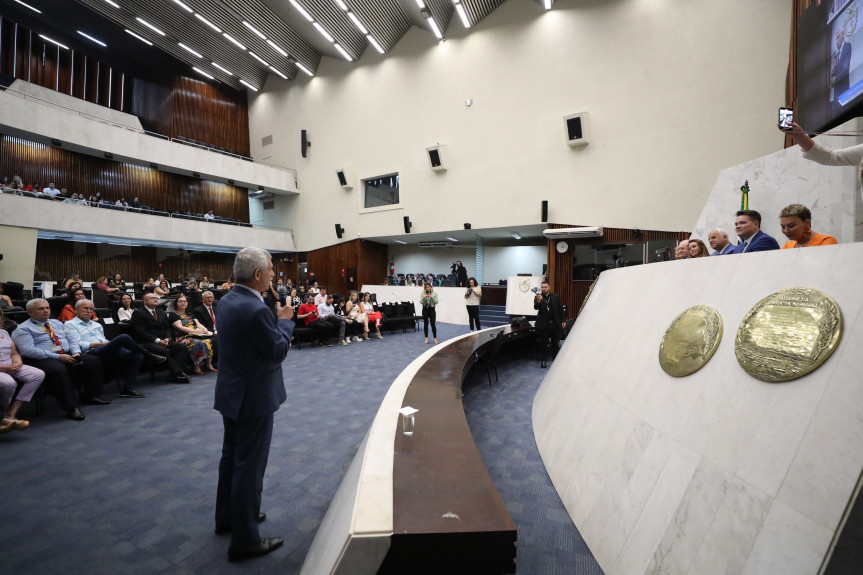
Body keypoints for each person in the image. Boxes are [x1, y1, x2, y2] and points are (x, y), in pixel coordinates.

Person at [213, 247, 294, 563]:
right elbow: (276, 350)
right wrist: (285, 322)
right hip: (254, 398)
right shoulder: (257, 309)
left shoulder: (229, 300)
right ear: (258, 274)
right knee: (250, 468)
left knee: (231, 459)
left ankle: (228, 518)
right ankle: (245, 541)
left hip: (232, 393)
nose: (273, 274)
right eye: (271, 270)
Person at [12, 298, 107, 421]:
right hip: (42, 359)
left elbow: (72, 339)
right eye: (41, 308)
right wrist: (58, 357)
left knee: (93, 361)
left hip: (65, 354)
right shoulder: (23, 329)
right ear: (29, 312)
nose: (46, 311)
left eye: (47, 308)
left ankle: (89, 395)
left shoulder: (56, 323)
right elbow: (28, 351)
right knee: (58, 369)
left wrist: (76, 353)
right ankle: (71, 407)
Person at [64, 299, 163, 398]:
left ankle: (128, 389)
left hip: (104, 349)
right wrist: (100, 345)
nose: (89, 311)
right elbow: (76, 343)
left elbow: (103, 339)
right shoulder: (70, 324)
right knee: (124, 337)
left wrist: (109, 344)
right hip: (90, 352)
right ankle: (148, 355)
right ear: (76, 310)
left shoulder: (97, 324)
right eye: (85, 308)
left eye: (91, 309)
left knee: (137, 355)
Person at [129, 292, 191, 383]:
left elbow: (167, 328)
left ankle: (176, 374)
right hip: (147, 342)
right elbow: (141, 332)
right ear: (145, 301)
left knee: (181, 347)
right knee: (164, 350)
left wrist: (168, 338)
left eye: (156, 298)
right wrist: (158, 341)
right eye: (152, 298)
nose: (155, 299)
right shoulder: (138, 313)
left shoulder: (161, 312)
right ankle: (178, 373)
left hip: (164, 340)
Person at [0, 309, 44, 432]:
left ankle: (12, 411)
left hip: (10, 365)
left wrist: (18, 362)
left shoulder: (3, 332)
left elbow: (14, 353)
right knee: (8, 383)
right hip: (2, 368)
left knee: (37, 374)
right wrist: (4, 368)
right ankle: (5, 411)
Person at [169, 295, 216, 375]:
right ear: (176, 303)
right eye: (180, 301)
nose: (183, 303)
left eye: (185, 301)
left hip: (195, 334)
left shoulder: (189, 313)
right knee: (199, 343)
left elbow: (198, 324)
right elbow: (180, 327)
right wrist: (195, 331)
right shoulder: (173, 314)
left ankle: (208, 364)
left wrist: (204, 329)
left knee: (210, 340)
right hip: (182, 336)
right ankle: (196, 367)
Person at [534, 281, 566, 369]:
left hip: (555, 324)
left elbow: (560, 309)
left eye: (545, 287)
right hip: (544, 325)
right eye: (542, 287)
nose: (543, 289)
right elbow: (536, 307)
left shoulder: (555, 296)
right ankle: (543, 360)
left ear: (549, 287)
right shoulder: (538, 297)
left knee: (555, 343)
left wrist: (563, 320)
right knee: (544, 344)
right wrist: (538, 301)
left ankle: (555, 360)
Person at [832, 29, 852, 109]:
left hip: (844, 90)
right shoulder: (836, 54)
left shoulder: (847, 46)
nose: (836, 40)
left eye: (838, 37)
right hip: (836, 93)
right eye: (836, 38)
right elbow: (832, 76)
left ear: (842, 36)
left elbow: (845, 69)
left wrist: (835, 79)